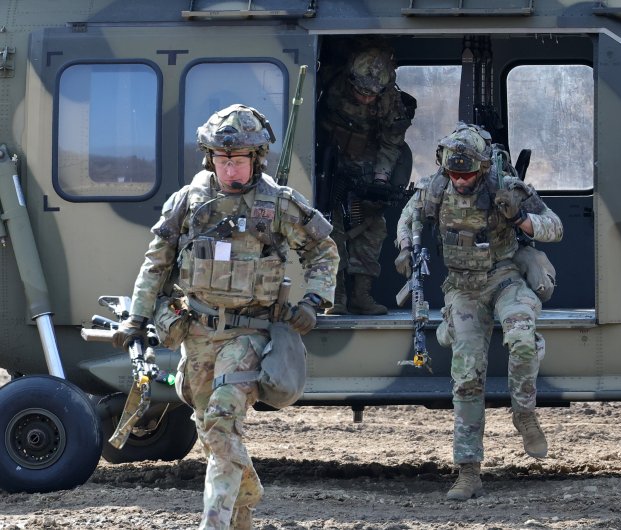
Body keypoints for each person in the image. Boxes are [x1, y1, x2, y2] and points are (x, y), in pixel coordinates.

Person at [112, 104, 339, 529]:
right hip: (195, 331)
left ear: (256, 159)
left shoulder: (277, 205)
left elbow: (323, 251)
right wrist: (138, 317)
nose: (229, 168)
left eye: (238, 160)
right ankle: (243, 505)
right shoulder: (189, 202)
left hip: (250, 333)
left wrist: (313, 300)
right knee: (212, 432)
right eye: (221, 159)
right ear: (209, 158)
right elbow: (156, 263)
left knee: (220, 420)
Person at [394, 123, 563, 501]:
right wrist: (407, 245)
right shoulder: (435, 189)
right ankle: (468, 472)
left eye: (467, 174)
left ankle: (524, 413)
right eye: (454, 174)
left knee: (521, 339)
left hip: (504, 277)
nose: (461, 181)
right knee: (467, 374)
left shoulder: (506, 187)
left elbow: (555, 227)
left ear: (483, 168)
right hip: (461, 287)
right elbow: (409, 218)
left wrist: (521, 218)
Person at [317, 44, 415, 315]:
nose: (366, 98)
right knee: (329, 228)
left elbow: (392, 142)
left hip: (368, 167)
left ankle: (362, 296)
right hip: (329, 165)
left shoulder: (389, 102)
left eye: (373, 94)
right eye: (361, 91)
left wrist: (381, 178)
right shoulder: (331, 81)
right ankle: (335, 297)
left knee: (371, 229)